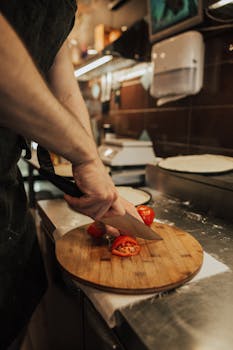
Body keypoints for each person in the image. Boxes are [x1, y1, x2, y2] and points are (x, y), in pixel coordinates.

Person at [0, 1, 143, 349]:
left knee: (12, 313)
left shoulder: (65, 7)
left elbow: (62, 83)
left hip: (6, 205)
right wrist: (85, 157)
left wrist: (94, 164)